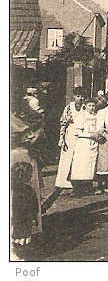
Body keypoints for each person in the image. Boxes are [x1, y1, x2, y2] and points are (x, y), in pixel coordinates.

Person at [11, 100, 45, 248]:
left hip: (22, 158)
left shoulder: (27, 118)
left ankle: (23, 231)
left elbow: (36, 134)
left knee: (22, 195)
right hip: (17, 156)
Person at [68, 97, 100, 196]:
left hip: (93, 143)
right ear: (85, 106)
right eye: (89, 106)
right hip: (83, 143)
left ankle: (87, 186)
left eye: (93, 106)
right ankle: (78, 189)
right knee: (81, 166)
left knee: (91, 166)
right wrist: (90, 135)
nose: (91, 108)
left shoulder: (96, 116)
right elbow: (77, 132)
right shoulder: (81, 116)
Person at [55, 88, 85, 191]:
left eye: (81, 96)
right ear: (74, 96)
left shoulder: (85, 108)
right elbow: (63, 123)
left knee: (79, 158)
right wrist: (61, 138)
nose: (80, 98)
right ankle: (64, 182)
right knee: (67, 158)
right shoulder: (69, 108)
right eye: (78, 96)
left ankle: (78, 183)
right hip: (70, 134)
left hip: (82, 134)